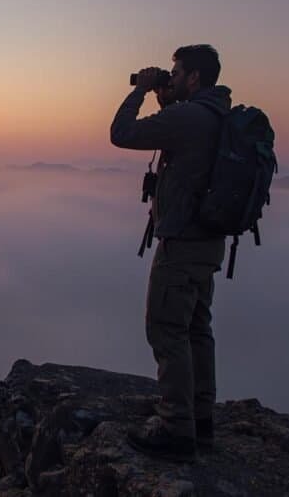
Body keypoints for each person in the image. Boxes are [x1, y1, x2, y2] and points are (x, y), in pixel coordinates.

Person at [109, 44, 230, 462]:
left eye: (176, 73)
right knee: (197, 328)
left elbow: (121, 134)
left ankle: (176, 428)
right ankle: (201, 421)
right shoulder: (217, 113)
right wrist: (168, 99)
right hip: (210, 243)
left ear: (195, 77)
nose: (171, 77)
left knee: (166, 330)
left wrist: (140, 91)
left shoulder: (187, 117)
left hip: (181, 243)